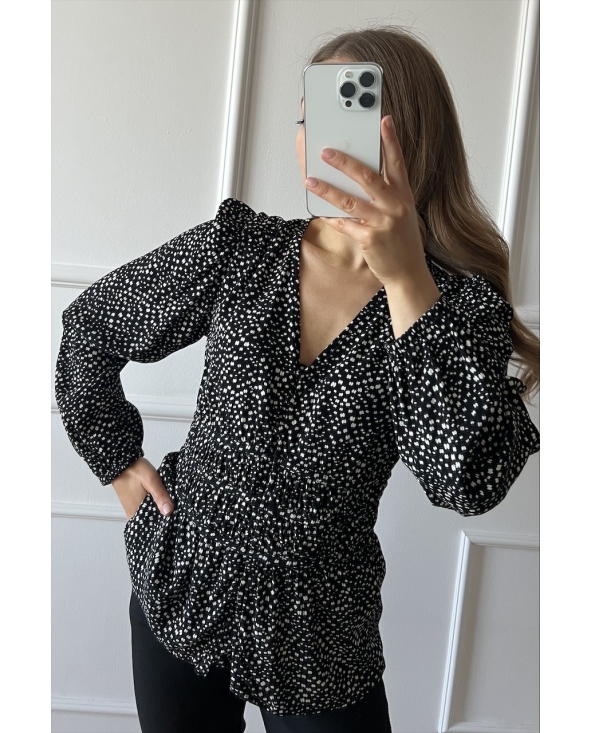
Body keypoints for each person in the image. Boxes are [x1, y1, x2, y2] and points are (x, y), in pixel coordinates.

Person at [54, 25, 540, 733]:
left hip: (321, 636)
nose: (319, 142)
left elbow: (464, 480)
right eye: (310, 119)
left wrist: (407, 278)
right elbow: (93, 325)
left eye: (349, 119)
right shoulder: (242, 248)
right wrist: (120, 464)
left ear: (408, 139)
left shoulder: (456, 309)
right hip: (182, 588)